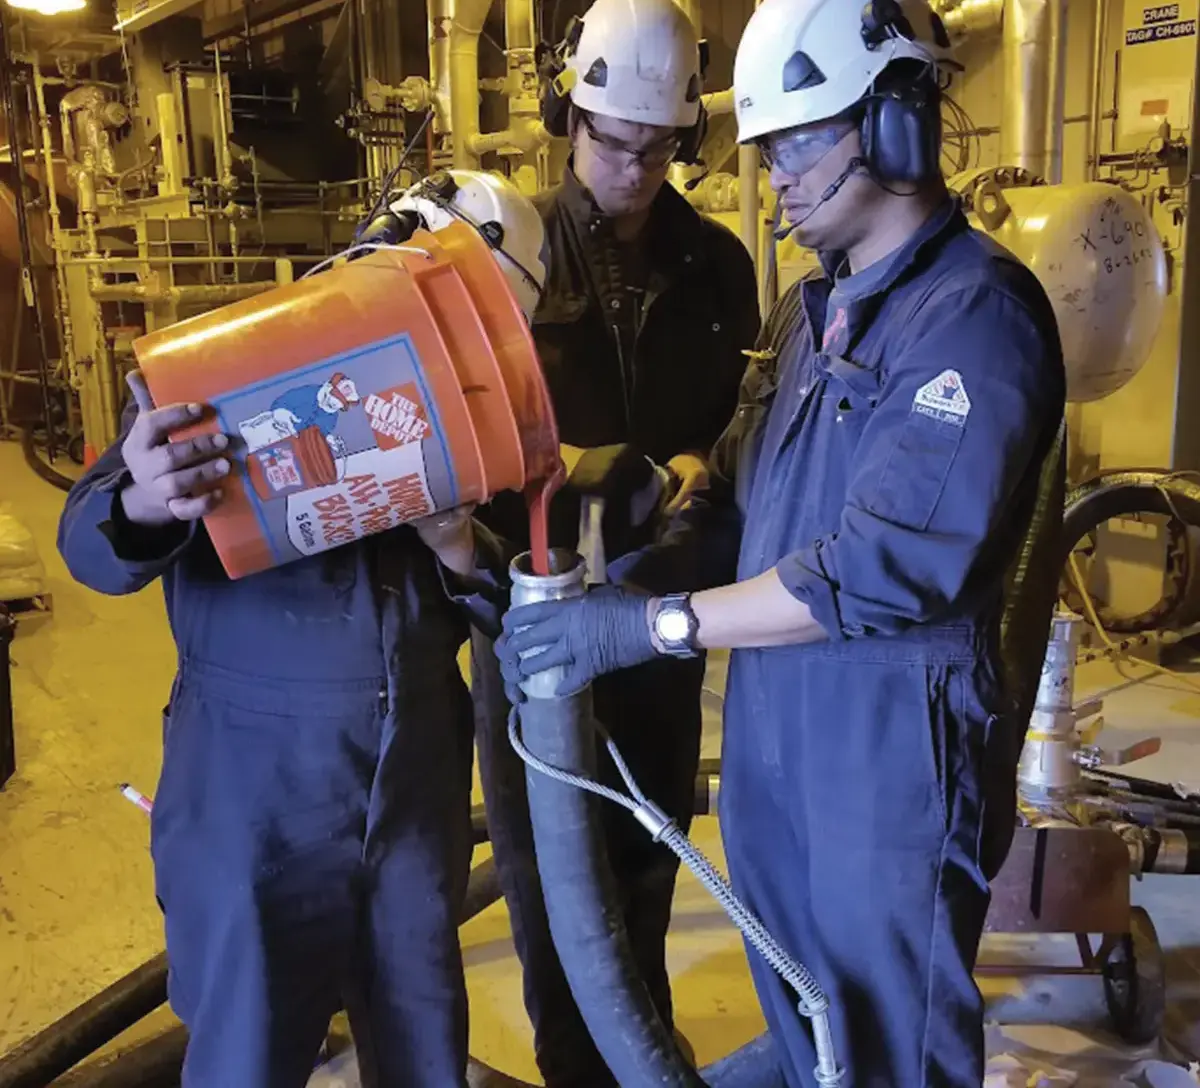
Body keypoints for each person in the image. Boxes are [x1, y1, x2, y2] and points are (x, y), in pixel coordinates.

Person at [496, 0, 1067, 1084]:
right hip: (777, 737)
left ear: (897, 123)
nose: (779, 174)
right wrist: (625, 589)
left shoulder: (973, 315)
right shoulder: (814, 311)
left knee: (886, 1043)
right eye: (768, 147)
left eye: (802, 140)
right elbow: (740, 495)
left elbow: (884, 565)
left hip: (884, 757)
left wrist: (656, 623)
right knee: (815, 1033)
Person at [57, 172, 544, 1088]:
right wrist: (143, 499)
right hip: (256, 792)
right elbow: (89, 548)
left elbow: (517, 609)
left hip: (412, 788)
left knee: (420, 1045)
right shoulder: (230, 372)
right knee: (249, 1049)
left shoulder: (489, 426)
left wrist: (458, 543)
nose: (459, 374)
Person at [463, 0, 760, 1082]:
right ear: (567, 117)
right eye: (610, 142)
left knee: (646, 858)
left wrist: (697, 471)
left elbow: (737, 427)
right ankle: (575, 1064)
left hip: (651, 617)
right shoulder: (505, 255)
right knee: (550, 878)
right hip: (534, 626)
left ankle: (640, 1050)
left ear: (683, 138)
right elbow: (467, 442)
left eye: (656, 147)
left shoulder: (720, 267)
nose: (632, 169)